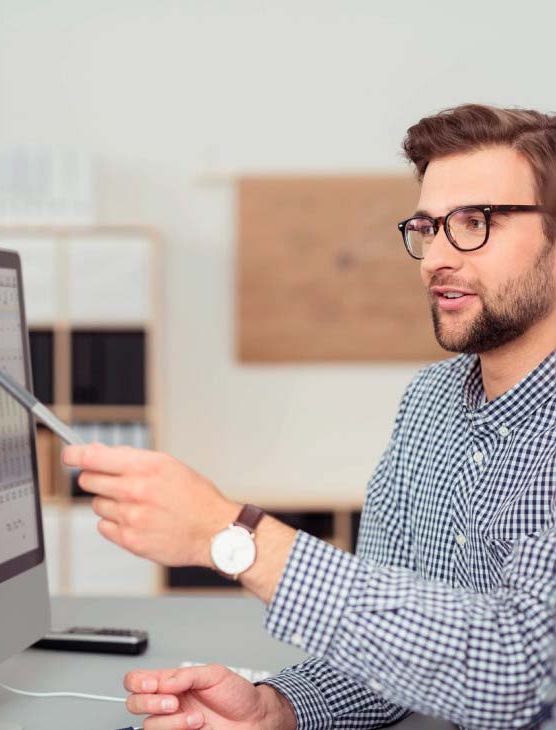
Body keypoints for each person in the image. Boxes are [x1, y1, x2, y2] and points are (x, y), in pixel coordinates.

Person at [62, 104, 556, 730]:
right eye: (429, 227)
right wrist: (277, 709)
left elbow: (524, 671)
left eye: (474, 223)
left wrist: (230, 534)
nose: (435, 258)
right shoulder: (430, 403)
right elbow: (388, 643)